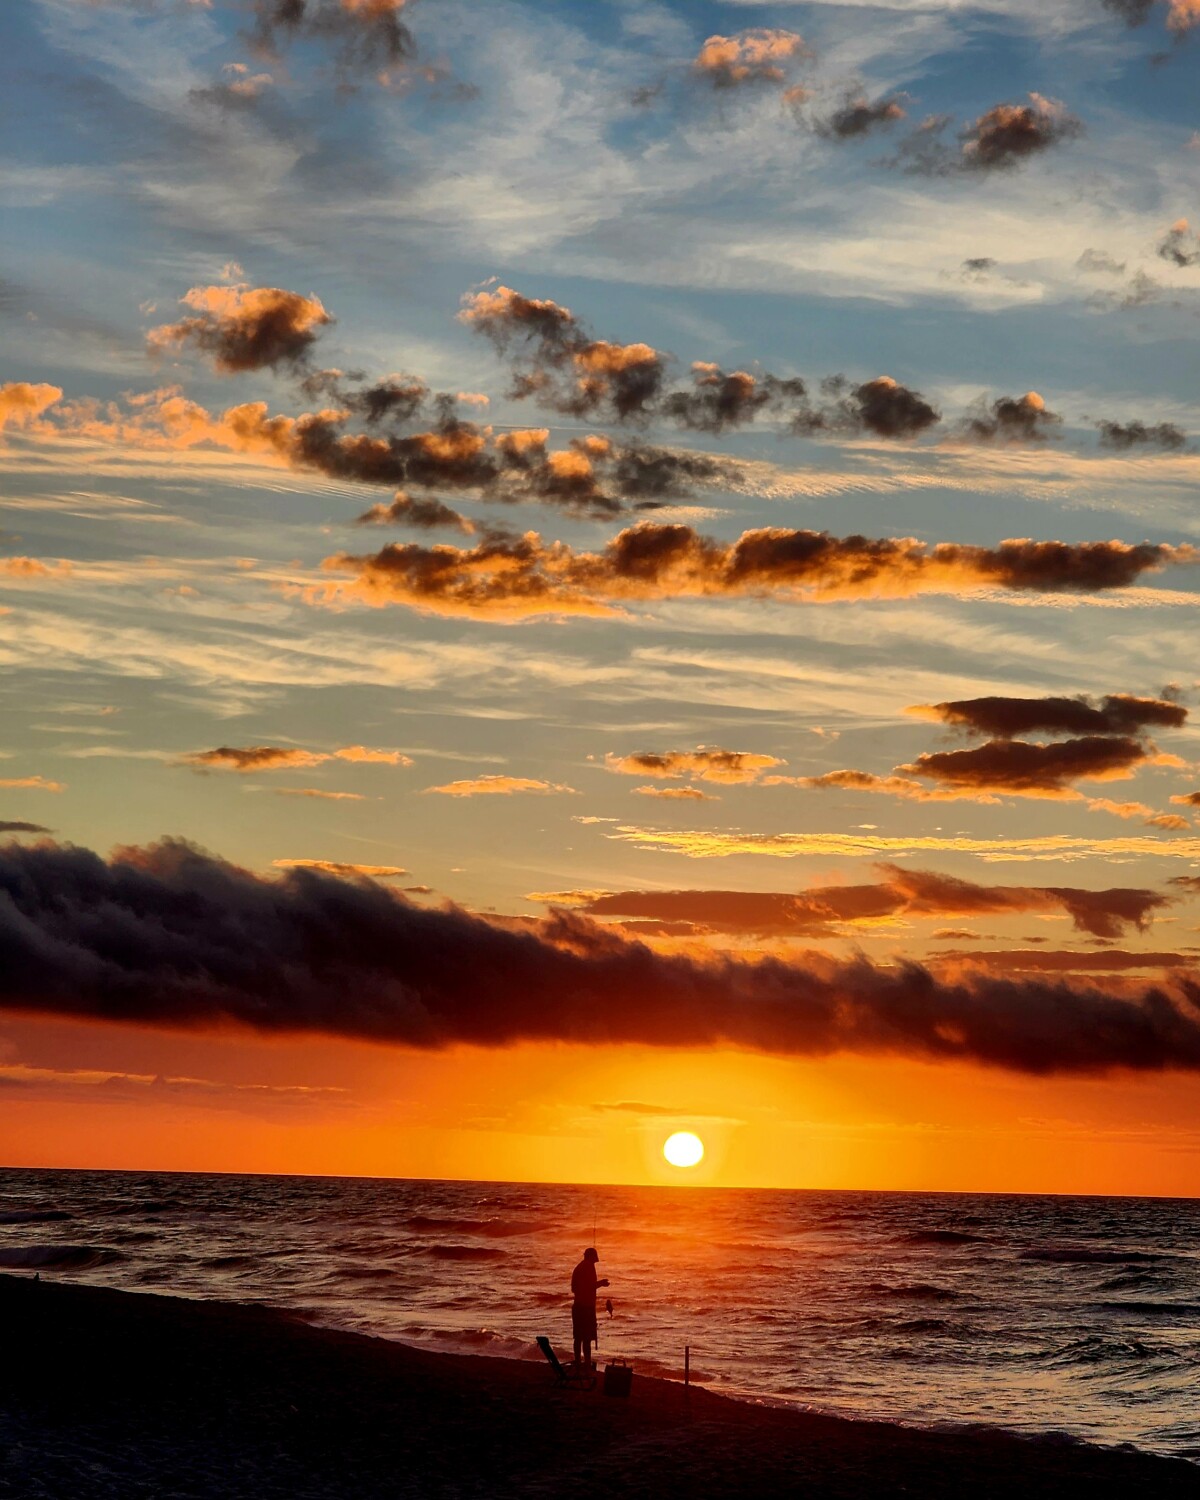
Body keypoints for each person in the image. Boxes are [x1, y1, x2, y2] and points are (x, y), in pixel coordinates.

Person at [570, 1247, 609, 1369]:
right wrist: (601, 1283)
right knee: (586, 1338)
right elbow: (589, 1286)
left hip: (578, 1306)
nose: (597, 1258)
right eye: (595, 1255)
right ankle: (586, 1362)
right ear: (591, 1256)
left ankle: (578, 1361)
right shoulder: (588, 1267)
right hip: (585, 1308)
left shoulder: (579, 1267)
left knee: (578, 1337)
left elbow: (574, 1288)